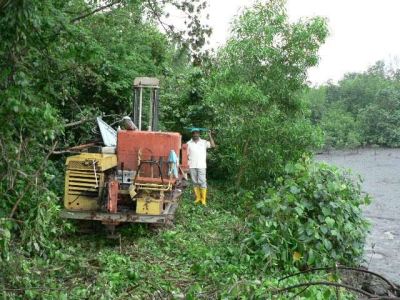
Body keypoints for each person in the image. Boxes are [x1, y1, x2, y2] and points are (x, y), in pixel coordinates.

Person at [187, 128, 215, 206]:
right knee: (194, 182)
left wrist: (209, 135)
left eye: (197, 133)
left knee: (202, 182)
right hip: (192, 165)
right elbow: (186, 155)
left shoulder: (204, 142)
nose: (195, 134)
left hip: (201, 165)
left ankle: (203, 199)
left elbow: (213, 145)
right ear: (192, 134)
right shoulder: (188, 143)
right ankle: (198, 198)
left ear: (199, 134)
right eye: (194, 133)